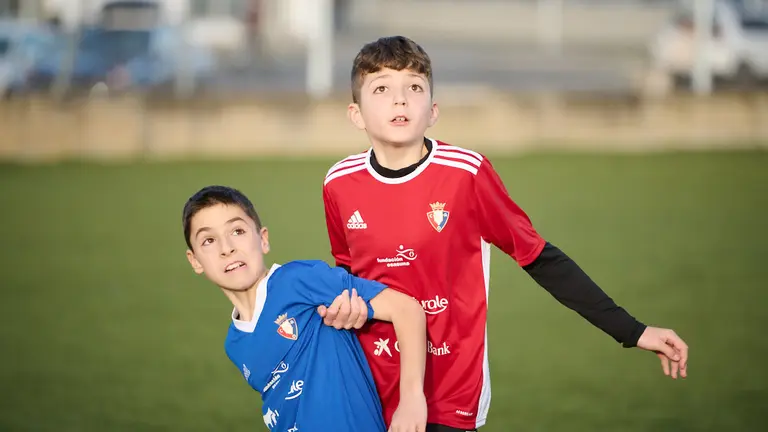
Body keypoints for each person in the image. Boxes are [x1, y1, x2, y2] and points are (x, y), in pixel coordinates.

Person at [319, 36, 690, 432]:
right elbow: (347, 274)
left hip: (449, 391)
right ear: (355, 114)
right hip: (368, 385)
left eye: (414, 87)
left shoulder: (467, 174)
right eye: (382, 88)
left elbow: (540, 258)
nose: (400, 100)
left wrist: (633, 331)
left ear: (433, 110)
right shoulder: (339, 183)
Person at [182, 185, 428, 432]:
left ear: (263, 239)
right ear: (195, 261)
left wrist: (411, 400)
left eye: (237, 231)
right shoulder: (234, 344)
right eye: (209, 240)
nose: (227, 248)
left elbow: (406, 309)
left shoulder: (299, 280)